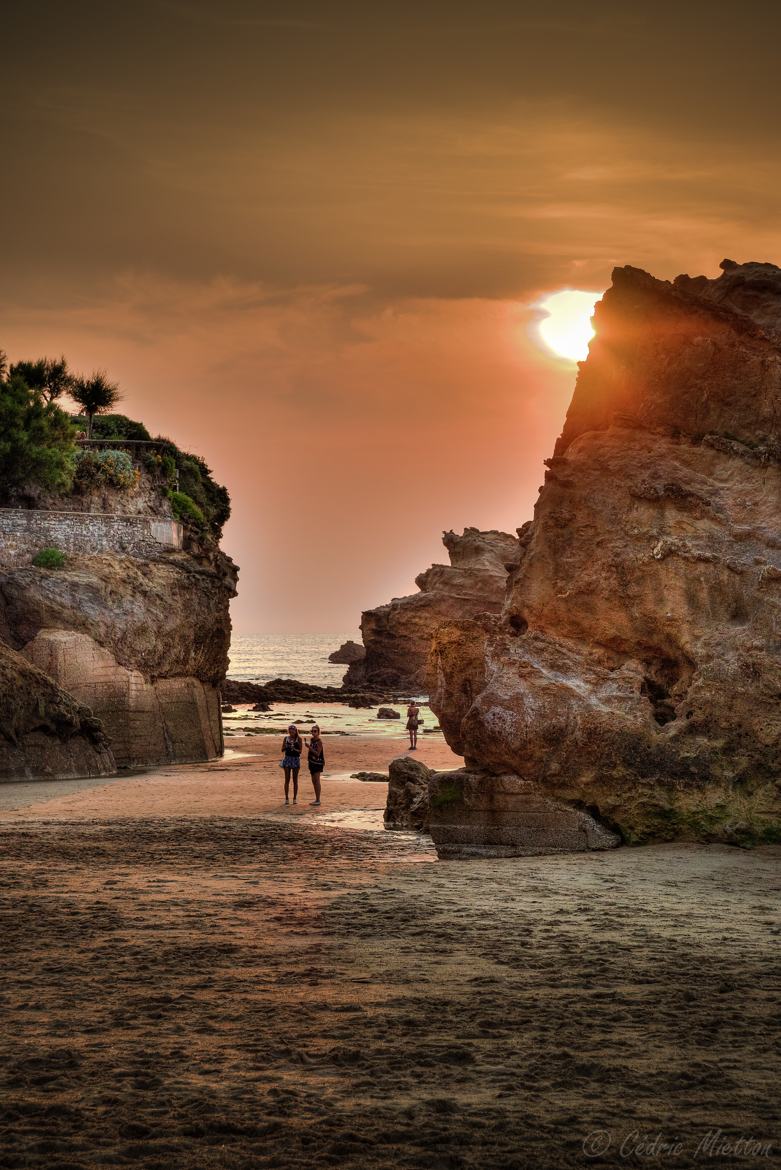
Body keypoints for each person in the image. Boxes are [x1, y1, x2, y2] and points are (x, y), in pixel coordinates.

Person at [280, 724, 302, 804]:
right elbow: (282, 749)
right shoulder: (286, 738)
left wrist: (294, 749)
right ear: (289, 731)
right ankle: (286, 798)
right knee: (287, 779)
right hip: (287, 759)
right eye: (290, 730)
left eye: (293, 730)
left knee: (295, 780)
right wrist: (287, 747)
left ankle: (295, 798)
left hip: (296, 759)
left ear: (296, 731)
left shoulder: (299, 739)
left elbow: (300, 751)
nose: (291, 731)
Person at [305, 725, 325, 806]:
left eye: (315, 731)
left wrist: (309, 747)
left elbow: (317, 753)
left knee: (316, 781)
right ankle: (316, 799)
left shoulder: (319, 741)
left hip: (318, 763)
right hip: (312, 762)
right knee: (313, 781)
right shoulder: (312, 740)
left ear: (318, 732)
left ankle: (318, 799)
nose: (313, 732)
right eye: (312, 731)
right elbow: (311, 752)